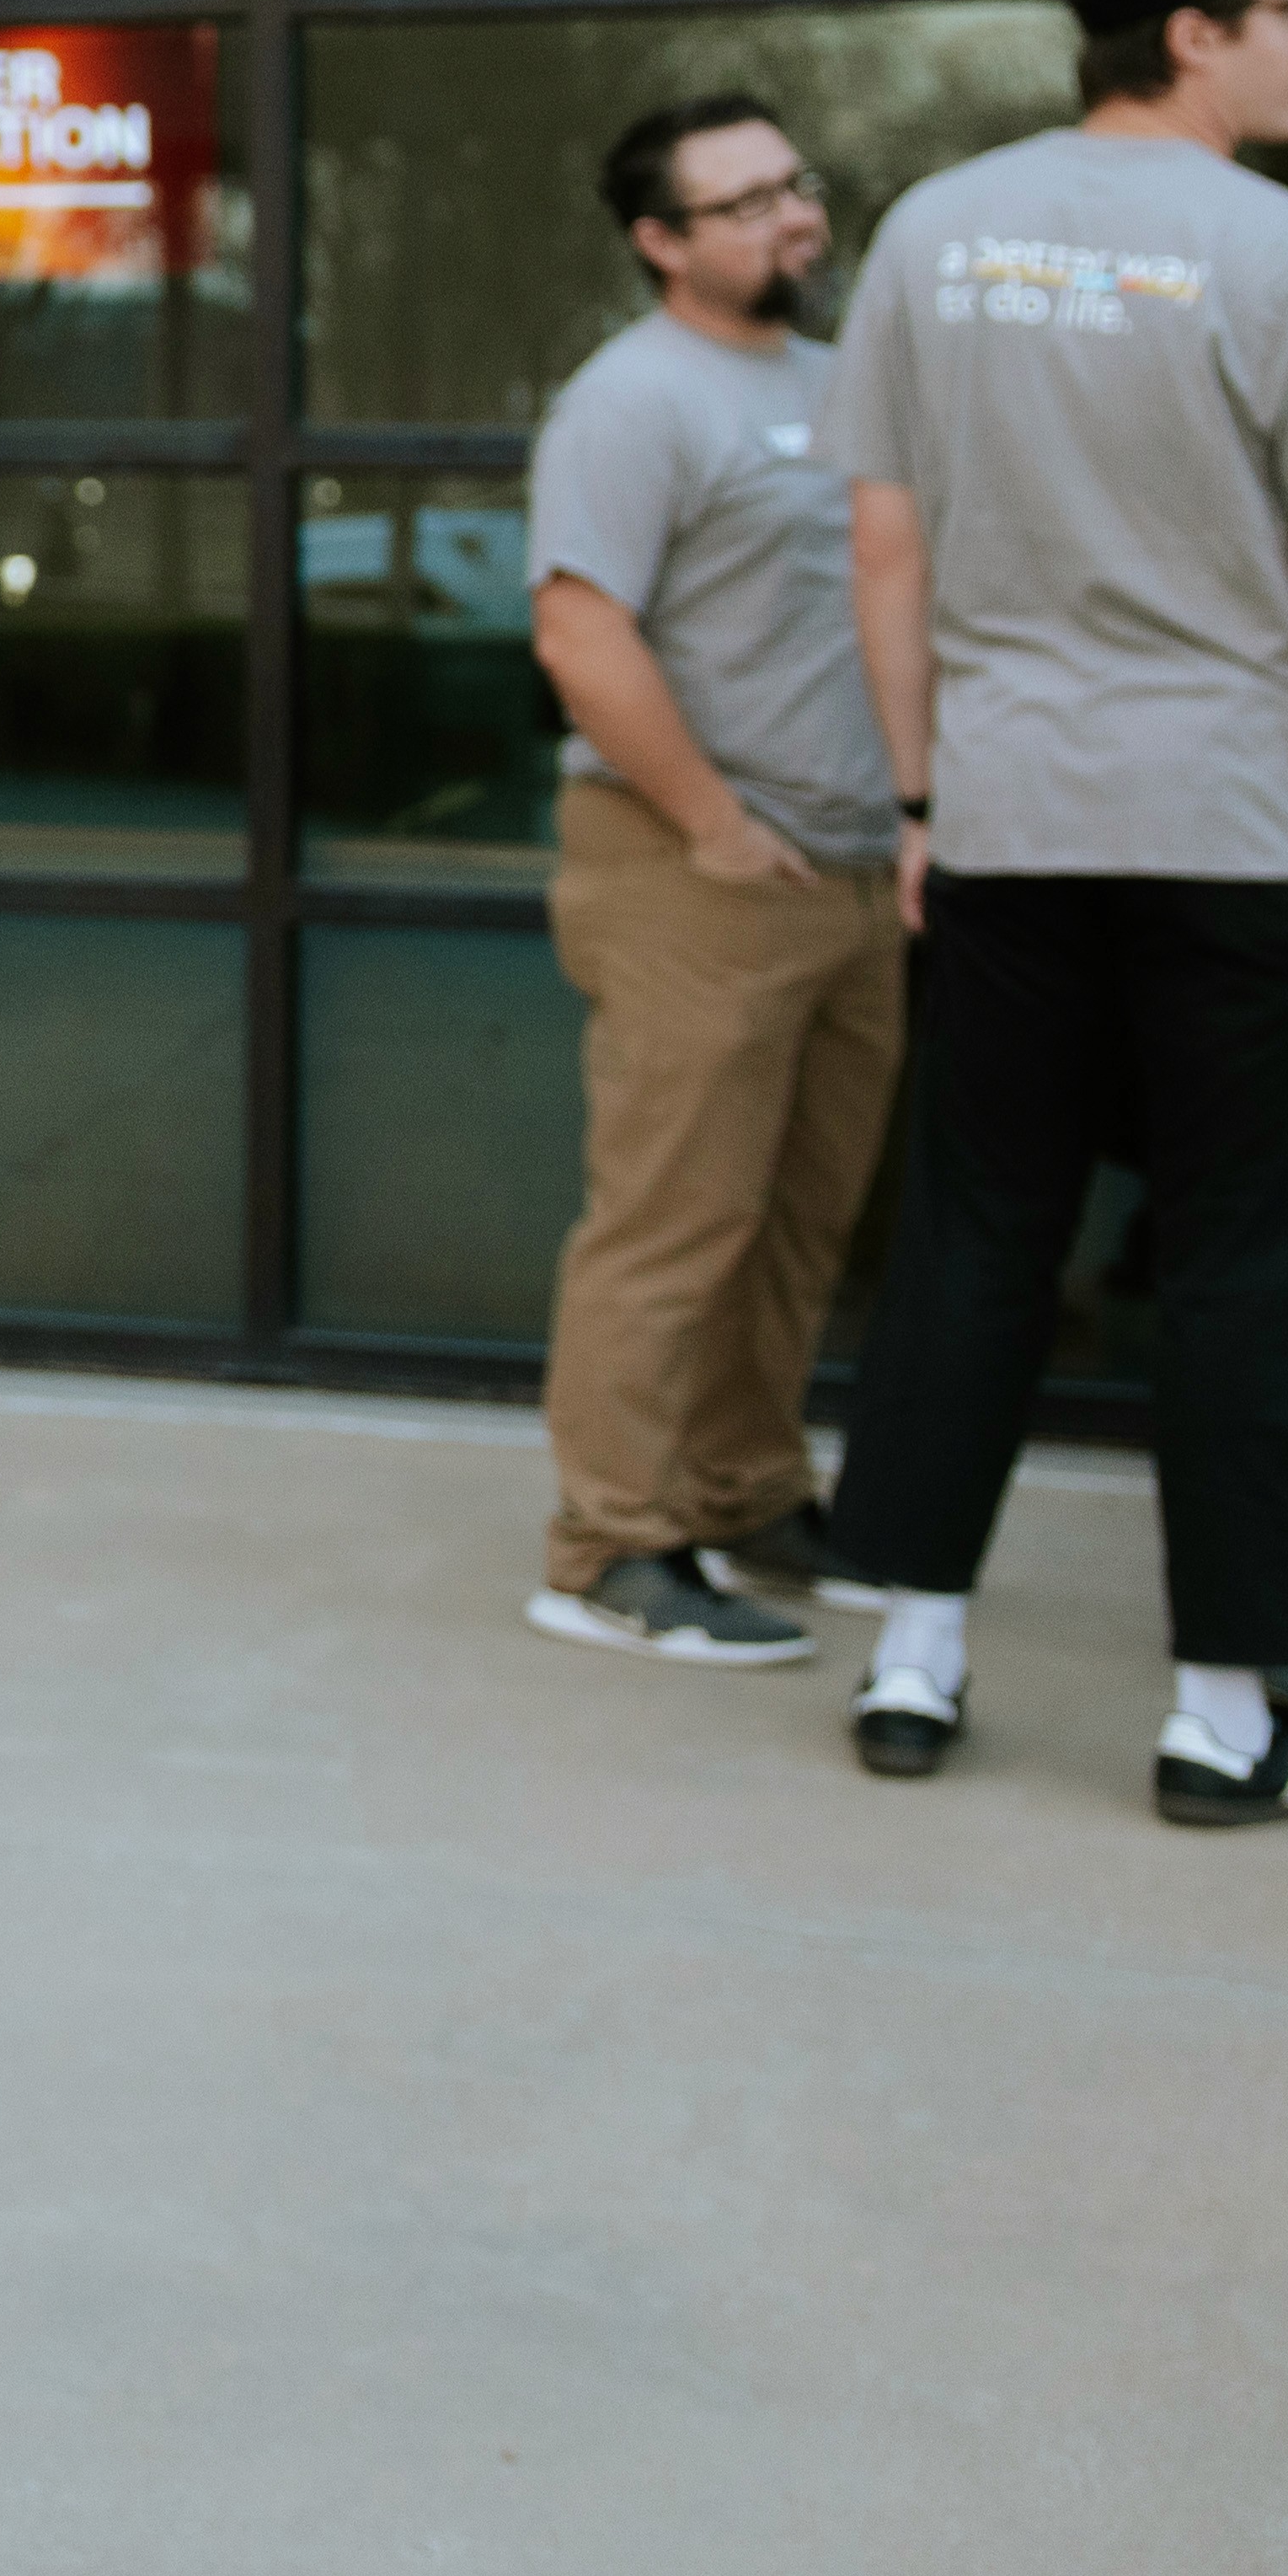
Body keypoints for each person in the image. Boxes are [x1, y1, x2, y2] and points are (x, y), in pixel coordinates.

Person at [817, 0, 1288, 1827]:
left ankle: (910, 1656)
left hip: (1016, 824)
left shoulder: (934, 228)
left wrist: (926, 805)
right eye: (1285, 12)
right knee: (1251, 1264)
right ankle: (1220, 1716)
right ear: (1185, 33)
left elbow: (884, 549)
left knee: (976, 1233)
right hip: (1242, 838)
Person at [512, 94, 906, 1666]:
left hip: (852, 868)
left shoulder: (833, 382)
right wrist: (715, 822)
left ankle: (743, 1493)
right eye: (740, 205)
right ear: (659, 243)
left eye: (791, 190)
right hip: (692, 868)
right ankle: (608, 1543)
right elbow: (576, 631)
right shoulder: (634, 400)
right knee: (673, 1222)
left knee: (795, 1222)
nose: (786, 222)